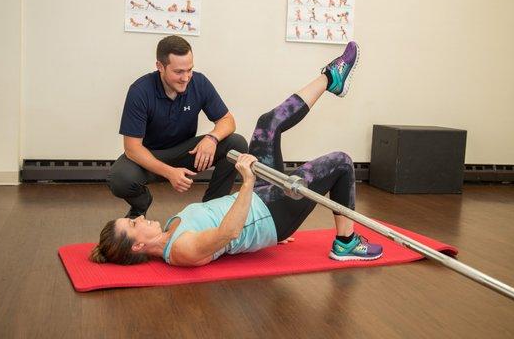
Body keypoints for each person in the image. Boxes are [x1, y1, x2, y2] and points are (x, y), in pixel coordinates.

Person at [93, 42, 383, 266]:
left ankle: (331, 78)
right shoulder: (180, 250)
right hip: (269, 212)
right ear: (138, 247)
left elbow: (227, 226)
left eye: (134, 218)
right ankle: (345, 243)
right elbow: (228, 234)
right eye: (133, 224)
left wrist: (258, 226)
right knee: (342, 162)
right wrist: (246, 182)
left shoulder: (171, 228)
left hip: (259, 202)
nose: (139, 219)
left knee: (267, 124)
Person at [107, 35, 248, 218]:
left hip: (185, 153)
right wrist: (170, 173)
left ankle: (211, 211)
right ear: (160, 67)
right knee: (119, 179)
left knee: (236, 144)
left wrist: (212, 138)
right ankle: (140, 205)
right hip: (150, 156)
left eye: (190, 70)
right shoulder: (140, 91)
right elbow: (132, 149)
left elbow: (228, 120)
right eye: (179, 72)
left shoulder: (199, 83)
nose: (186, 78)